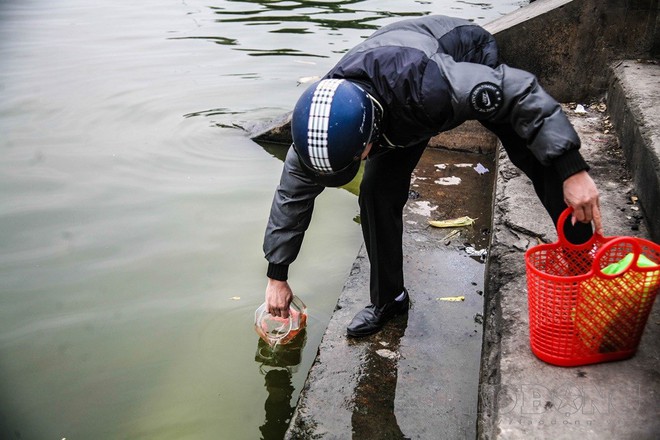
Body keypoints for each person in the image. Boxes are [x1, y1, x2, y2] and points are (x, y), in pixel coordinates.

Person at [262, 15, 603, 337]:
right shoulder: (320, 128)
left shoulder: (432, 87)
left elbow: (519, 90)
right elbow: (291, 197)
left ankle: (582, 257)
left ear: (367, 143)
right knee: (376, 192)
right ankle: (389, 300)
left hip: (460, 56)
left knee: (533, 152)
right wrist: (277, 275)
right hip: (393, 103)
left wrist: (571, 170)